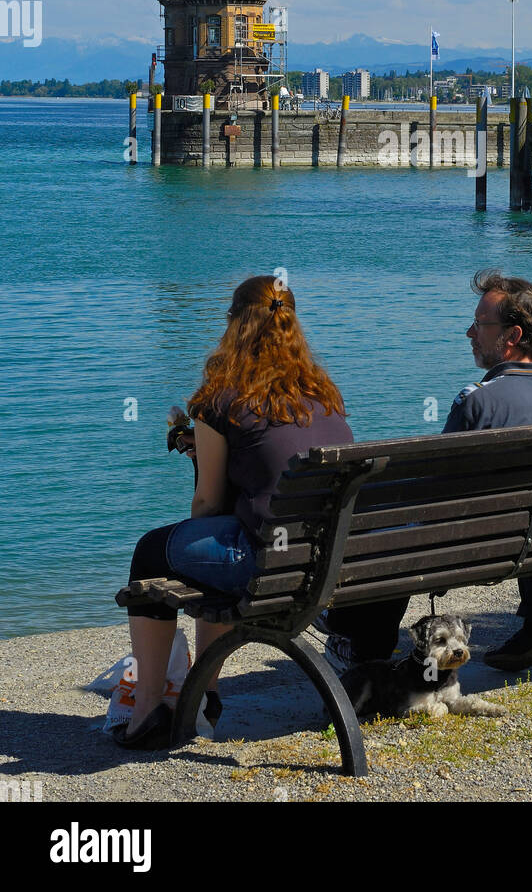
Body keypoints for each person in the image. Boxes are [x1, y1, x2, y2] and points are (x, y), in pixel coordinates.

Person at [116, 275, 352, 749]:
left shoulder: (218, 399)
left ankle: (145, 714)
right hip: (330, 559)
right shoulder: (325, 395)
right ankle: (206, 691)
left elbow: (206, 505)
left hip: (266, 565)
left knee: (151, 552)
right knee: (215, 541)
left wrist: (206, 468)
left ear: (234, 325)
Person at [322, 270, 532, 674]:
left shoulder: (479, 402)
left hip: (468, 549)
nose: (469, 332)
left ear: (513, 336)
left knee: (385, 524)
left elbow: (431, 496)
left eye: (481, 325)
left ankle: (362, 648)